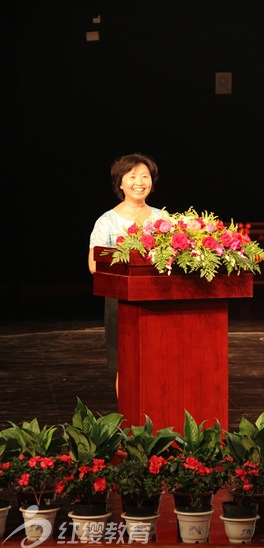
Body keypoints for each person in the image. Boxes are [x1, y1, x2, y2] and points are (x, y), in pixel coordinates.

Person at [88, 152, 163, 397]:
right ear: (120, 183)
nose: (139, 182)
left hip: (160, 300)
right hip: (122, 303)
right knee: (127, 366)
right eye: (132, 176)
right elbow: (94, 265)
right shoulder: (106, 222)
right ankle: (130, 424)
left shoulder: (163, 219)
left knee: (160, 363)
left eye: (145, 176)